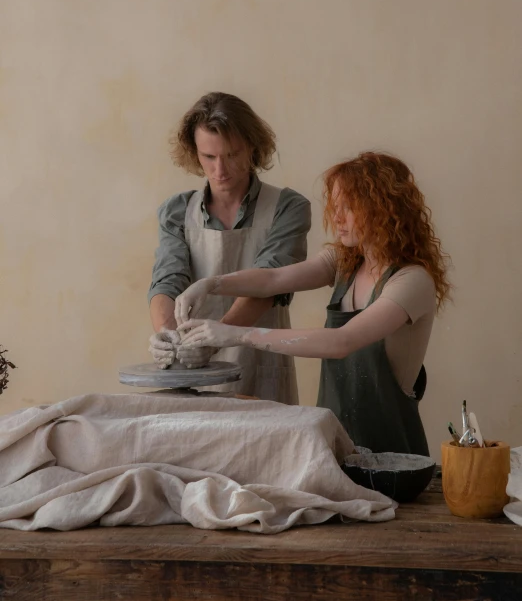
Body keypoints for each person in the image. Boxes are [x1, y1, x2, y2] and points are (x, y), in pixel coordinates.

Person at [174, 152, 451, 456]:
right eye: (336, 206)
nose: (337, 217)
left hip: (394, 459)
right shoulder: (345, 263)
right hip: (336, 451)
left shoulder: (412, 281)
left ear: (383, 209)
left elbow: (341, 341)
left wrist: (236, 335)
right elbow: (273, 280)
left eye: (349, 207)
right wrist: (210, 285)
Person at [147, 91, 311, 404]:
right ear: (195, 152)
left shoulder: (287, 207)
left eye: (232, 155)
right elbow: (167, 279)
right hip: (192, 371)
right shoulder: (177, 212)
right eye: (209, 157)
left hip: (261, 367)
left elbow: (269, 282)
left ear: (252, 147)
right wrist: (167, 335)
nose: (220, 170)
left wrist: (214, 339)